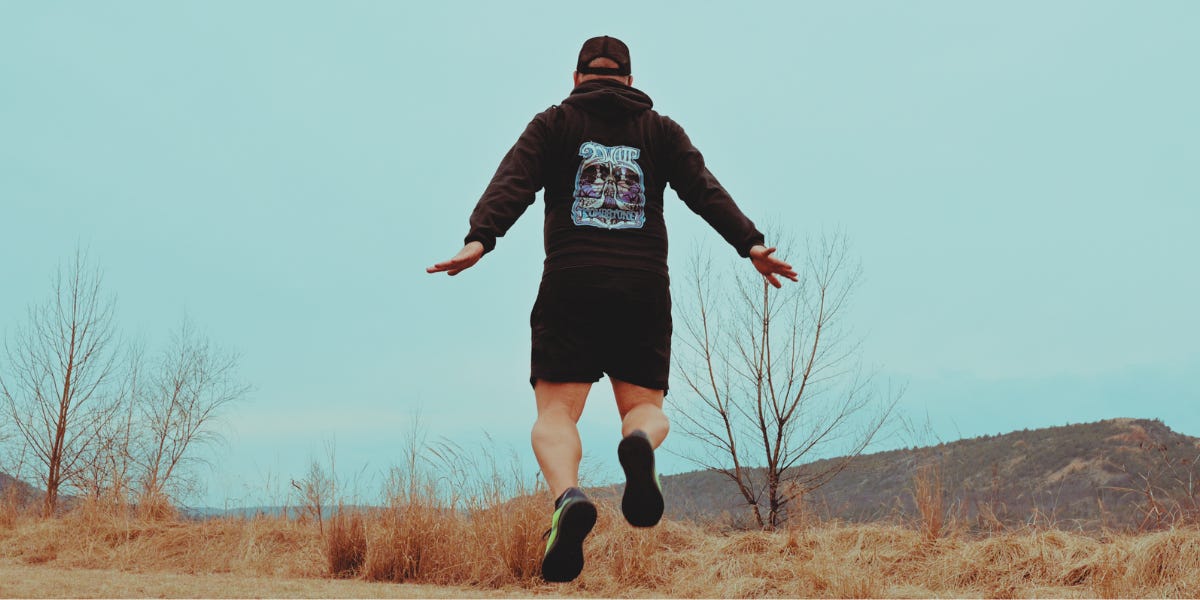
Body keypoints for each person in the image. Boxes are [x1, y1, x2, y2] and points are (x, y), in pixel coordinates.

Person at [427, 35, 797, 583]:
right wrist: (752, 244)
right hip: (641, 288)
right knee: (643, 406)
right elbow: (704, 190)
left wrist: (480, 238)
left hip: (571, 282)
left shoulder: (554, 124)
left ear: (577, 78)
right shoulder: (659, 131)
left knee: (556, 414)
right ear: (629, 80)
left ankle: (568, 498)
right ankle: (638, 443)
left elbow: (514, 180)